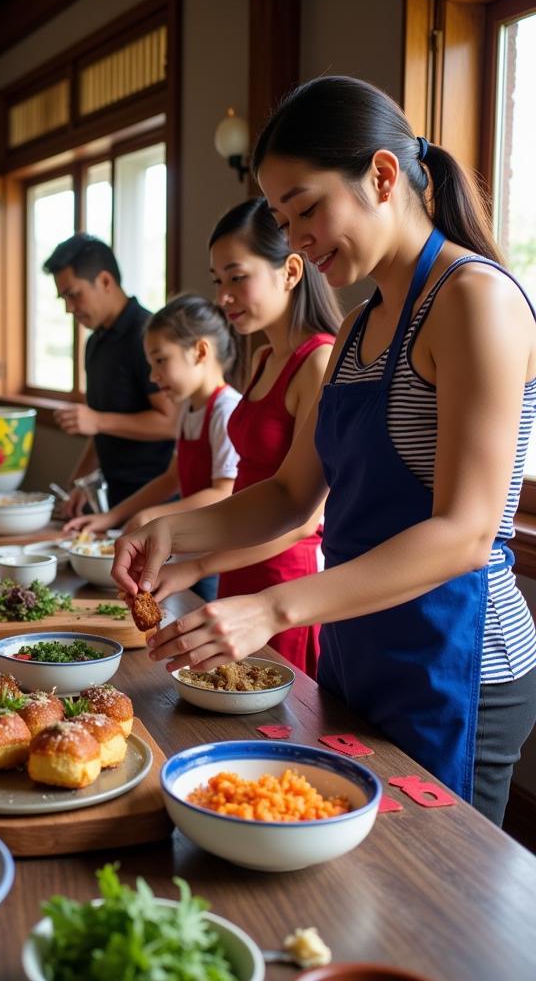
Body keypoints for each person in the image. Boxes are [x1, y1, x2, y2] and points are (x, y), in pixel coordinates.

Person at [113, 75, 536, 824]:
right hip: (357, 643)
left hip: (458, 659)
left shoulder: (477, 300)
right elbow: (288, 495)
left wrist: (271, 608)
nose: (298, 237)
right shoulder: (356, 329)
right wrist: (169, 529)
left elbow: (467, 534)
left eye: (306, 208)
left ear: (380, 175)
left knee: (429, 895)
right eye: (282, 216)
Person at [126, 199, 340, 676]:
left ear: (289, 271)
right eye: (217, 280)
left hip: (282, 579)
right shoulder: (264, 358)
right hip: (236, 564)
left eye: (237, 277)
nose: (223, 296)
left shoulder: (318, 362)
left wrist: (199, 566)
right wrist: (199, 564)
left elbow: (303, 519)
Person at [64, 294, 241, 602]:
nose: (152, 376)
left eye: (161, 360)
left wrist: (154, 518)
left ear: (200, 351)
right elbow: (171, 479)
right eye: (150, 364)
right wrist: (112, 517)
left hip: (214, 562)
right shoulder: (188, 409)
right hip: (187, 552)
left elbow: (223, 493)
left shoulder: (227, 411)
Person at [43, 234, 178, 514]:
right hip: (108, 499)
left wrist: (98, 420)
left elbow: (171, 421)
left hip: (154, 501)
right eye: (63, 297)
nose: (69, 308)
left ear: (105, 281)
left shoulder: (148, 334)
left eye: (73, 294)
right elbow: (101, 428)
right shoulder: (95, 342)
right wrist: (79, 483)